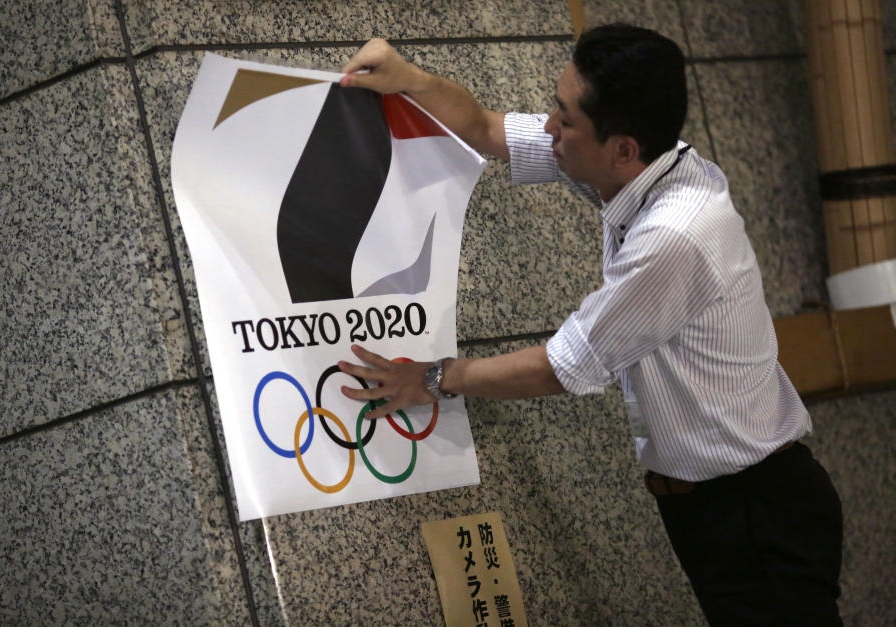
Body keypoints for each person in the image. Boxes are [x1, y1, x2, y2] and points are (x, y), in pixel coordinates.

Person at [337, 24, 843, 626]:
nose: (549, 126)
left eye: (565, 117)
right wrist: (408, 78)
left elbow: (563, 365)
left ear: (624, 148)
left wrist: (436, 376)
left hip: (755, 511)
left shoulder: (675, 236)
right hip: (713, 505)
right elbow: (484, 128)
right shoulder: (648, 167)